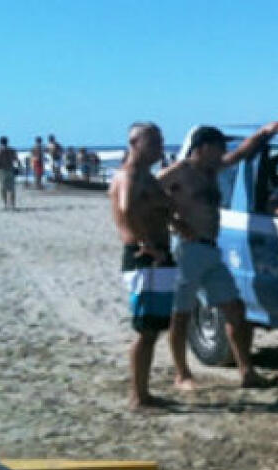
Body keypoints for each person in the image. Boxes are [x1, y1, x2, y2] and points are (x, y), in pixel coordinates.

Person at [158, 122, 278, 390]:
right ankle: (181, 374)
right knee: (181, 314)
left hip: (211, 249)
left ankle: (247, 372)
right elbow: (147, 196)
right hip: (187, 249)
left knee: (235, 309)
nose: (221, 153)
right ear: (203, 148)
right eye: (218, 149)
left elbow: (239, 154)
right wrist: (174, 222)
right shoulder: (179, 171)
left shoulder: (211, 169)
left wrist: (264, 133)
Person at [110, 123, 181, 411]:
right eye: (153, 141)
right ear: (134, 143)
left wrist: (177, 224)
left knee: (154, 327)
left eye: (161, 141)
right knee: (146, 330)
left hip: (158, 254)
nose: (160, 147)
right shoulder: (129, 175)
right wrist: (145, 242)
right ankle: (138, 396)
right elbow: (126, 209)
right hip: (145, 256)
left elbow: (161, 209)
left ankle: (144, 393)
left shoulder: (147, 177)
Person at [0, 136, 20, 210]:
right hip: (11, 169)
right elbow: (17, 160)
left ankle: (5, 204)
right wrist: (18, 168)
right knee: (11, 188)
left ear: (0, 142)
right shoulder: (12, 150)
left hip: (2, 170)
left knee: (3, 188)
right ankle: (13, 204)